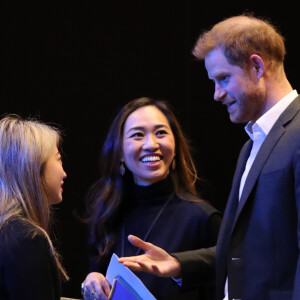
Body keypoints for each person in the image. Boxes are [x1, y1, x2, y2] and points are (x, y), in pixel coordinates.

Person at [118, 14, 300, 300]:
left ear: (256, 66)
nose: (216, 95)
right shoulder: (252, 144)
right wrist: (178, 264)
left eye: (223, 79)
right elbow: (246, 250)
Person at [81, 97, 222, 300]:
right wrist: (92, 279)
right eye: (138, 135)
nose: (151, 144)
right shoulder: (106, 215)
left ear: (175, 146)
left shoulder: (202, 218)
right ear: (119, 152)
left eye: (161, 133)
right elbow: (99, 275)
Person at [0, 114, 68, 300]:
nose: (64, 173)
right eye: (59, 159)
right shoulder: (27, 240)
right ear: (35, 167)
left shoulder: (7, 229)